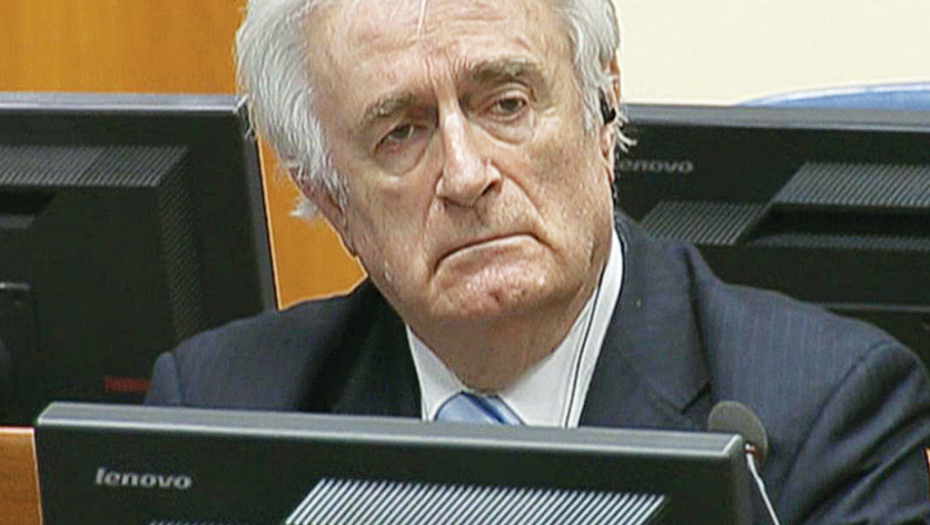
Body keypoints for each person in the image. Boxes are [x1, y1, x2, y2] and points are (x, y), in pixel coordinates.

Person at [145, 0, 930, 522]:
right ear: (331, 197)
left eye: (506, 104)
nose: (465, 175)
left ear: (602, 108)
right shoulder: (219, 413)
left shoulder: (822, 416)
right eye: (400, 133)